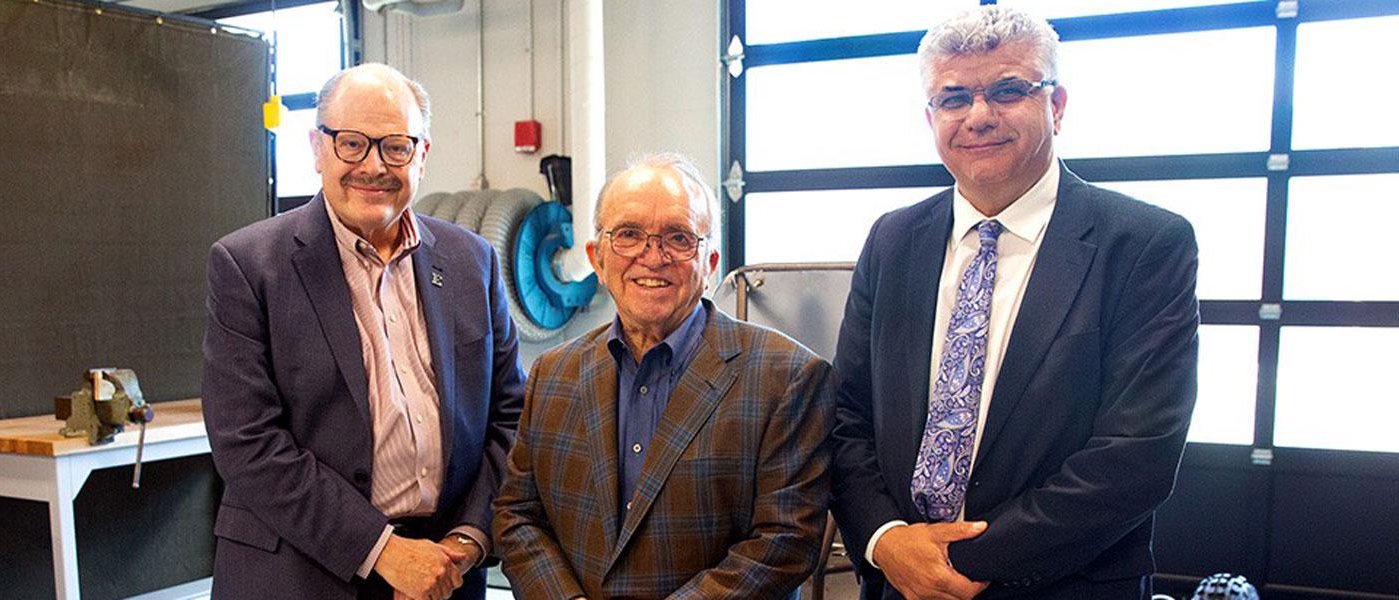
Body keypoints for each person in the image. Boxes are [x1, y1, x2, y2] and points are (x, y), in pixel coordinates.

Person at [830, 6, 1199, 599]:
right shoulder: (893, 240)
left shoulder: (1144, 244)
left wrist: (958, 560)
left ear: (1056, 106)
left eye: (1007, 91)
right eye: (953, 99)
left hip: (1063, 585)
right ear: (931, 117)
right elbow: (847, 417)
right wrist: (887, 541)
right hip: (901, 585)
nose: (978, 116)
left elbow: (1136, 456)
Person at [201, 63, 525, 600]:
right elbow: (247, 443)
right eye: (352, 143)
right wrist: (383, 550)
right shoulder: (248, 265)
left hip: (444, 571)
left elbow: (511, 418)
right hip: (300, 573)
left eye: (396, 146)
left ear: (421, 154)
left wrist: (467, 541)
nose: (373, 165)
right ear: (317, 148)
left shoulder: (474, 262)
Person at [493, 153, 834, 599]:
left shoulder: (787, 377)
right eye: (629, 235)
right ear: (597, 258)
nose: (652, 257)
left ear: (710, 262)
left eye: (678, 237)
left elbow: (785, 543)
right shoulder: (552, 374)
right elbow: (517, 514)